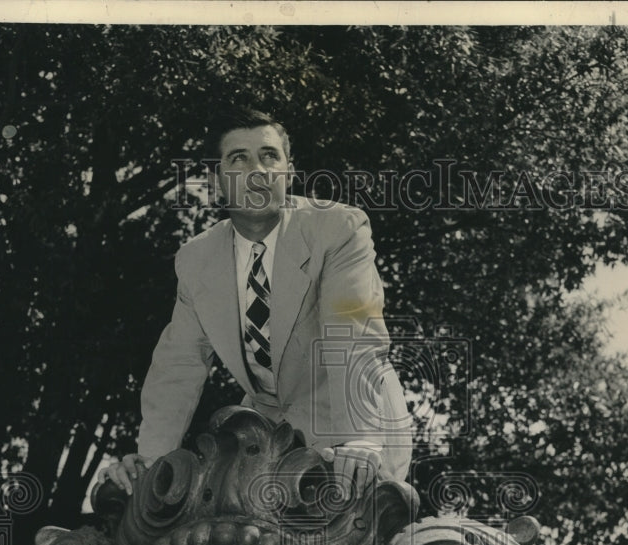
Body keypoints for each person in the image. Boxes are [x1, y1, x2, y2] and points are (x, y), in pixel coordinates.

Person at [99, 107, 412, 497]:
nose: (257, 171)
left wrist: (361, 441)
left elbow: (351, 335)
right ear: (216, 182)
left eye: (269, 156)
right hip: (267, 439)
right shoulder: (196, 259)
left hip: (356, 424)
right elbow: (178, 364)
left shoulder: (338, 228)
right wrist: (151, 463)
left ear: (289, 171)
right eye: (239, 159)